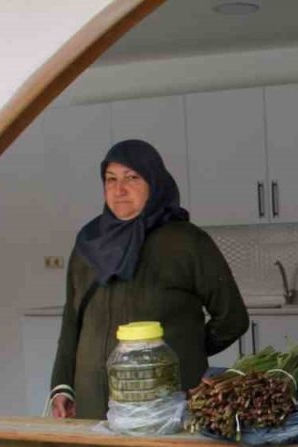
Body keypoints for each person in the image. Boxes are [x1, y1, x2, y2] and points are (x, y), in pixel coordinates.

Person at [49, 140, 248, 419]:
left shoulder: (187, 242)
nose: (119, 190)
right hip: (93, 402)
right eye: (111, 179)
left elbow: (232, 318)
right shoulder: (88, 242)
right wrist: (62, 387)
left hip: (165, 403)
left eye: (132, 178)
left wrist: (183, 352)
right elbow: (71, 322)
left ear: (154, 182)